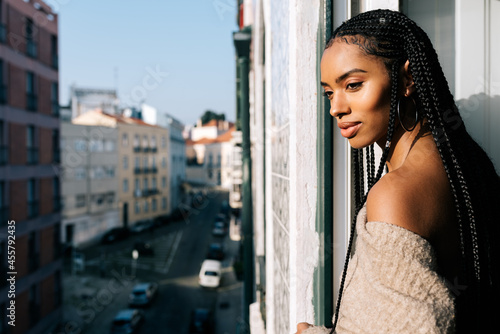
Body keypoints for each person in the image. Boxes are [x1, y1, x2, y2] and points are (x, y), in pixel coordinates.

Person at [296, 9, 500, 334]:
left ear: (406, 79)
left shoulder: (397, 193)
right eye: (329, 93)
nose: (336, 107)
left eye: (353, 84)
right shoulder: (455, 157)